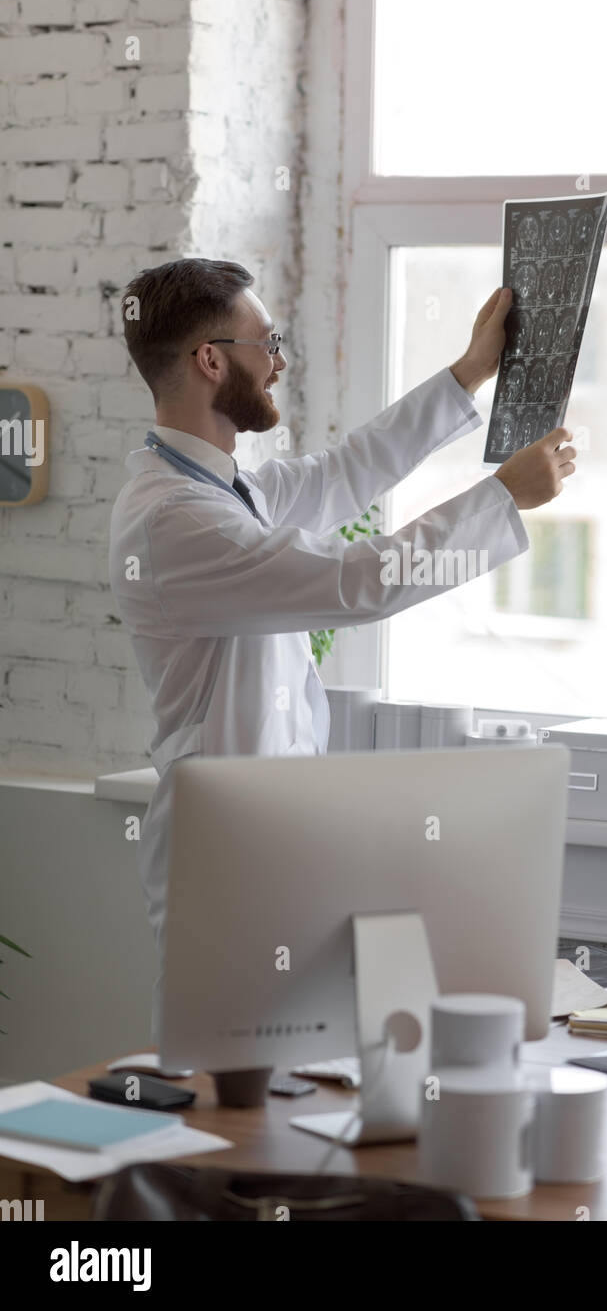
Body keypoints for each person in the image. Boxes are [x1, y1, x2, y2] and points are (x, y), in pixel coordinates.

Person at [108, 258, 577, 1033]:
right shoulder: (174, 521)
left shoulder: (229, 490)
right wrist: (501, 497)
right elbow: (360, 582)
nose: (280, 360)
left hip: (278, 841)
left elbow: (348, 470)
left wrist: (468, 373)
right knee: (228, 1095)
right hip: (227, 862)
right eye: (269, 341)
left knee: (299, 1082)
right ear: (211, 360)